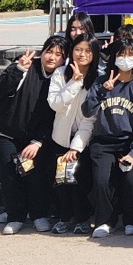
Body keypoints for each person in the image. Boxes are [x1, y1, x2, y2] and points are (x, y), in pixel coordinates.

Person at [82, 33, 133, 238]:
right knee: (102, 182)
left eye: (131, 54)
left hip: (130, 142)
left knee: (132, 183)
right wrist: (102, 92)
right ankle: (105, 220)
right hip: (103, 141)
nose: (125, 59)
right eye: (121, 54)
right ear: (113, 57)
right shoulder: (101, 81)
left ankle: (132, 219)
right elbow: (87, 111)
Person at [0, 36, 62, 234]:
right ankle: (15, 217)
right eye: (49, 51)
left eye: (58, 54)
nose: (52, 57)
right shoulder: (26, 66)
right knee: (11, 174)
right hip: (6, 131)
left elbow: (54, 116)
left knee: (37, 175)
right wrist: (18, 69)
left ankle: (39, 215)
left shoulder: (61, 77)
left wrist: (37, 142)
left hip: (35, 136)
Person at [47, 33, 98, 234]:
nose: (82, 54)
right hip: (59, 137)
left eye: (87, 50)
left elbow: (90, 119)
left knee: (81, 182)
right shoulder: (60, 73)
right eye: (78, 49)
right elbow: (55, 104)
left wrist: (76, 147)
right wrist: (75, 83)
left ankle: (82, 219)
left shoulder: (98, 78)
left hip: (83, 140)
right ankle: (65, 217)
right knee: (61, 181)